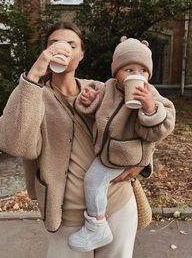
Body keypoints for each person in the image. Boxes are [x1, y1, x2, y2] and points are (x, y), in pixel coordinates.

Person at [0, 22, 153, 258]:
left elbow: (142, 120)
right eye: (54, 43)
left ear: (81, 54)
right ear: (45, 51)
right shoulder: (31, 94)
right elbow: (17, 144)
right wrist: (34, 75)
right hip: (66, 213)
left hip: (118, 203)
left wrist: (145, 158)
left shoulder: (102, 90)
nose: (63, 48)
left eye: (71, 44)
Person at [68, 37, 176, 252]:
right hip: (108, 151)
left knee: (93, 181)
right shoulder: (108, 88)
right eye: (128, 69)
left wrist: (149, 108)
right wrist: (89, 101)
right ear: (115, 71)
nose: (136, 75)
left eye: (142, 71)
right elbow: (99, 109)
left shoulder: (150, 94)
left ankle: (96, 226)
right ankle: (100, 222)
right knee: (96, 182)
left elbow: (163, 126)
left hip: (125, 155)